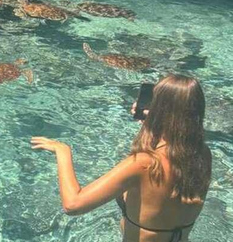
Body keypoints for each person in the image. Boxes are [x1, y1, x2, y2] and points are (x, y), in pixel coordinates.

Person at [31, 74, 211, 242]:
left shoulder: (144, 164)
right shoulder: (202, 155)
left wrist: (62, 150)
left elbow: (73, 205)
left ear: (159, 111)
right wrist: (152, 125)